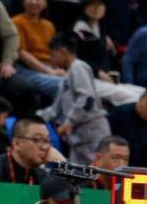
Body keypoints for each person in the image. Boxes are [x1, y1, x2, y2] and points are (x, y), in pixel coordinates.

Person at [70, 0, 146, 107]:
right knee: (134, 97)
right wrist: (99, 73)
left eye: (100, 5)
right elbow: (81, 58)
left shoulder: (99, 27)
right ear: (84, 7)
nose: (96, 8)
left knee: (143, 92)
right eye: (92, 5)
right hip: (87, 80)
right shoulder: (80, 29)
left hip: (102, 78)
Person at [45, 32, 112, 166]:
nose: (52, 60)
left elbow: (87, 98)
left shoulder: (78, 67)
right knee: (78, 174)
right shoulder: (69, 73)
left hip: (92, 131)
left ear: (62, 51)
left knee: (97, 170)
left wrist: (69, 122)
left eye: (53, 55)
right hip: (79, 136)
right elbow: (55, 109)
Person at [12, 0, 65, 104]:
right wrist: (49, 72)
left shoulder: (49, 25)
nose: (34, 1)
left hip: (48, 67)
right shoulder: (16, 22)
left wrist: (58, 70)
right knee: (62, 85)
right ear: (24, 0)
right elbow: (22, 54)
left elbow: (54, 53)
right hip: (26, 69)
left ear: (45, 3)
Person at [0, 116, 50, 184]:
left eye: (47, 140)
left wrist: (57, 162)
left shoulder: (40, 173)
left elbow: (56, 187)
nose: (44, 147)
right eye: (36, 139)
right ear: (16, 144)